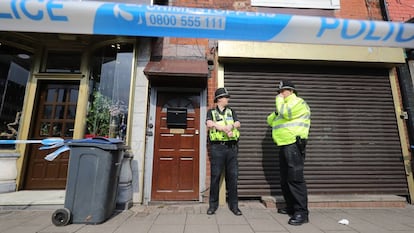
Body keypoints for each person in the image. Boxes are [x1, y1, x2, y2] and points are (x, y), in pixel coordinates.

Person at [266, 80, 311, 225]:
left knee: (295, 178)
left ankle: (302, 213)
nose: (280, 94)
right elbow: (270, 120)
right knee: (285, 179)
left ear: (291, 91)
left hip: (293, 144)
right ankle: (291, 207)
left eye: (282, 91)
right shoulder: (283, 105)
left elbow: (286, 114)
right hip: (283, 145)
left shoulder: (298, 102)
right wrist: (279, 107)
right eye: (279, 92)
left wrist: (279, 104)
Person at [206, 87, 242, 216]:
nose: (228, 99)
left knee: (233, 177)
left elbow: (238, 123)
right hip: (217, 148)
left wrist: (231, 126)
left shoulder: (231, 111)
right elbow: (209, 123)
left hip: (231, 148)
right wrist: (221, 128)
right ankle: (212, 205)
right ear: (219, 99)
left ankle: (234, 206)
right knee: (215, 177)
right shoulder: (211, 112)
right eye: (226, 97)